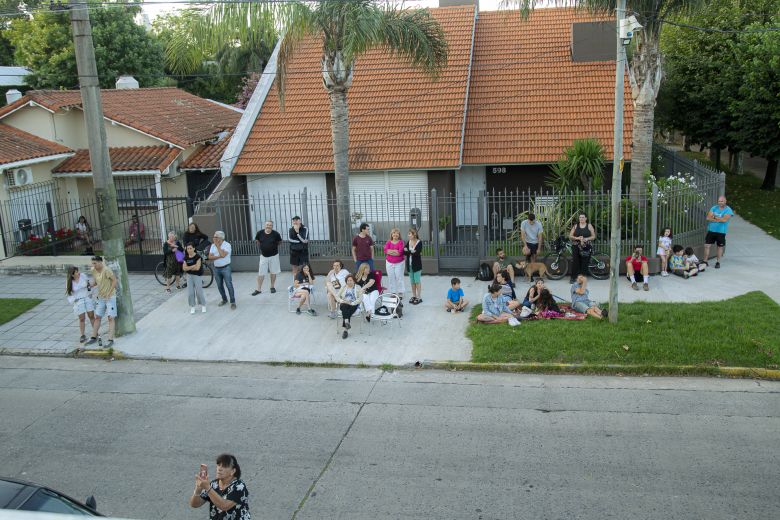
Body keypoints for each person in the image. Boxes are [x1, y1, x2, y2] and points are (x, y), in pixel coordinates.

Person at [190, 453, 250, 520]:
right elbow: (195, 504)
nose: (219, 469)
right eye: (218, 465)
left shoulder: (239, 486)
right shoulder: (214, 484)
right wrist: (198, 489)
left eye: (224, 466)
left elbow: (224, 506)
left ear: (233, 471)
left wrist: (207, 488)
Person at [85, 256, 116, 347]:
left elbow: (114, 281)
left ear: (100, 262)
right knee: (98, 317)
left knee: (111, 318)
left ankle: (110, 339)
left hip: (110, 297)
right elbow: (95, 282)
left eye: (95, 263)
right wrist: (90, 285)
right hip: (101, 297)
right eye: (92, 263)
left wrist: (109, 293)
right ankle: (93, 337)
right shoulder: (93, 270)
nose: (93, 265)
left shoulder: (107, 270)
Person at [252, 220, 282, 295]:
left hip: (274, 256)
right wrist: (264, 247)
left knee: (273, 272)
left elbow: (279, 242)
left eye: (270, 225)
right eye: (267, 224)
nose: (268, 226)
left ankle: (272, 287)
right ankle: (258, 289)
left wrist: (272, 247)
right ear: (265, 225)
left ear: (272, 226)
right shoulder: (260, 233)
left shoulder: (276, 234)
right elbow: (257, 241)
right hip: (263, 256)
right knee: (261, 273)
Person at [66, 266, 94, 344]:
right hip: (79, 301)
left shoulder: (83, 276)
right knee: (82, 318)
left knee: (91, 316)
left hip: (87, 297)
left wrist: (90, 293)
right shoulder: (70, 282)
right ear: (72, 275)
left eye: (78, 271)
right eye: (76, 272)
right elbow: (69, 294)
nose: (78, 273)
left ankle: (95, 333)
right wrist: (75, 300)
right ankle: (82, 335)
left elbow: (89, 285)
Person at [704, 196, 734, 269]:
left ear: (725, 201)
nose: (720, 203)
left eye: (722, 201)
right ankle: (705, 261)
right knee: (707, 245)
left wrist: (714, 217)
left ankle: (718, 262)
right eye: (719, 201)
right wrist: (718, 218)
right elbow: (708, 218)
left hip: (721, 232)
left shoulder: (728, 210)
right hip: (711, 230)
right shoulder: (714, 208)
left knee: (719, 247)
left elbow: (724, 220)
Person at [208, 231, 236, 310]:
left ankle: (233, 301)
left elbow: (223, 255)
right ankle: (224, 299)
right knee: (219, 286)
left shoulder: (227, 245)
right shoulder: (212, 245)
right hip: (216, 268)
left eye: (215, 237)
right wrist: (219, 256)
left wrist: (218, 247)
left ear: (220, 238)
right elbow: (210, 257)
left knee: (229, 285)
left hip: (225, 268)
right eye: (213, 237)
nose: (214, 238)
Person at [569, 213, 595, 283]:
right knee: (575, 261)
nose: (581, 219)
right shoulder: (575, 226)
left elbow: (593, 236)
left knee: (585, 262)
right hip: (576, 245)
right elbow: (570, 236)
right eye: (580, 217)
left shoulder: (589, 226)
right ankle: (573, 277)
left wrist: (586, 239)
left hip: (586, 246)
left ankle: (583, 278)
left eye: (583, 217)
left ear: (586, 218)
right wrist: (577, 238)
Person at [182, 242, 207, 314]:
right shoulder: (185, 257)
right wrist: (192, 266)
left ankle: (203, 305)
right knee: (190, 292)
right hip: (189, 276)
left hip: (197, 276)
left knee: (199, 292)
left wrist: (188, 267)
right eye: (188, 248)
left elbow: (197, 268)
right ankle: (192, 306)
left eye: (190, 248)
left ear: (194, 248)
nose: (189, 250)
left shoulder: (198, 257)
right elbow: (184, 268)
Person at [384, 228, 405, 299]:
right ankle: (393, 292)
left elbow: (400, 252)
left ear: (399, 235)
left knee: (399, 277)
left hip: (399, 263)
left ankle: (400, 292)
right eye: (394, 233)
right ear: (391, 234)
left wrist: (391, 251)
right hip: (389, 263)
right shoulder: (388, 242)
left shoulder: (401, 242)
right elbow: (386, 251)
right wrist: (395, 251)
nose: (395, 234)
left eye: (397, 233)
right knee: (391, 277)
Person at [405, 228, 423, 304]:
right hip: (409, 265)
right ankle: (414, 296)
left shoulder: (419, 242)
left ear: (414, 234)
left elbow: (417, 253)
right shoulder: (408, 242)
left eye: (410, 234)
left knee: (417, 281)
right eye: (408, 234)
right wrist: (411, 251)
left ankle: (419, 297)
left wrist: (409, 251)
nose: (408, 235)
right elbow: (404, 252)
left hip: (417, 265)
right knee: (412, 282)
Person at [288, 216, 310, 280]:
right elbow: (290, 240)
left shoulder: (305, 228)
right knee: (294, 269)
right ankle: (295, 282)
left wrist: (297, 233)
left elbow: (304, 240)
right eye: (294, 221)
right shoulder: (290, 229)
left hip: (303, 252)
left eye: (297, 220)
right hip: (294, 252)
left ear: (300, 221)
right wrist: (299, 241)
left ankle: (305, 281)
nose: (295, 222)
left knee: (304, 267)